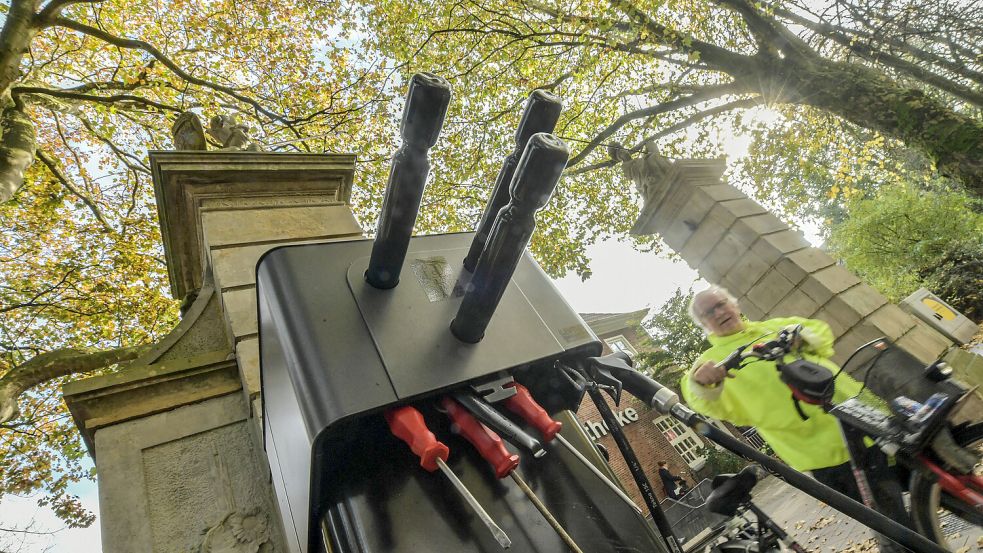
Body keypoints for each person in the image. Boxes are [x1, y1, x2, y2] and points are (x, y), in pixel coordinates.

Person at [679, 285, 910, 550]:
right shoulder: (712, 360)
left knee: (937, 485)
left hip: (867, 422)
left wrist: (803, 338)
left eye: (721, 304)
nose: (719, 312)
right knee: (896, 528)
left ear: (735, 304)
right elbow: (695, 393)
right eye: (709, 312)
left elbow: (820, 332)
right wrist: (702, 381)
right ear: (704, 324)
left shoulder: (776, 326)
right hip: (831, 455)